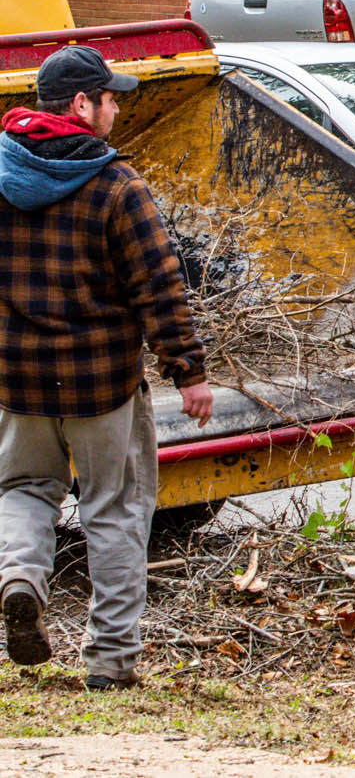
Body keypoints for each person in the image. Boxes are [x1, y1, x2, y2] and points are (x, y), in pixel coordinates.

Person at [0, 46, 211, 688]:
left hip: (18, 383)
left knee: (22, 491)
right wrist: (188, 371)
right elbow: (159, 286)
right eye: (111, 98)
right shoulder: (117, 186)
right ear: (81, 105)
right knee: (114, 509)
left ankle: (18, 580)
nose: (117, 109)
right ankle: (112, 661)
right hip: (102, 387)